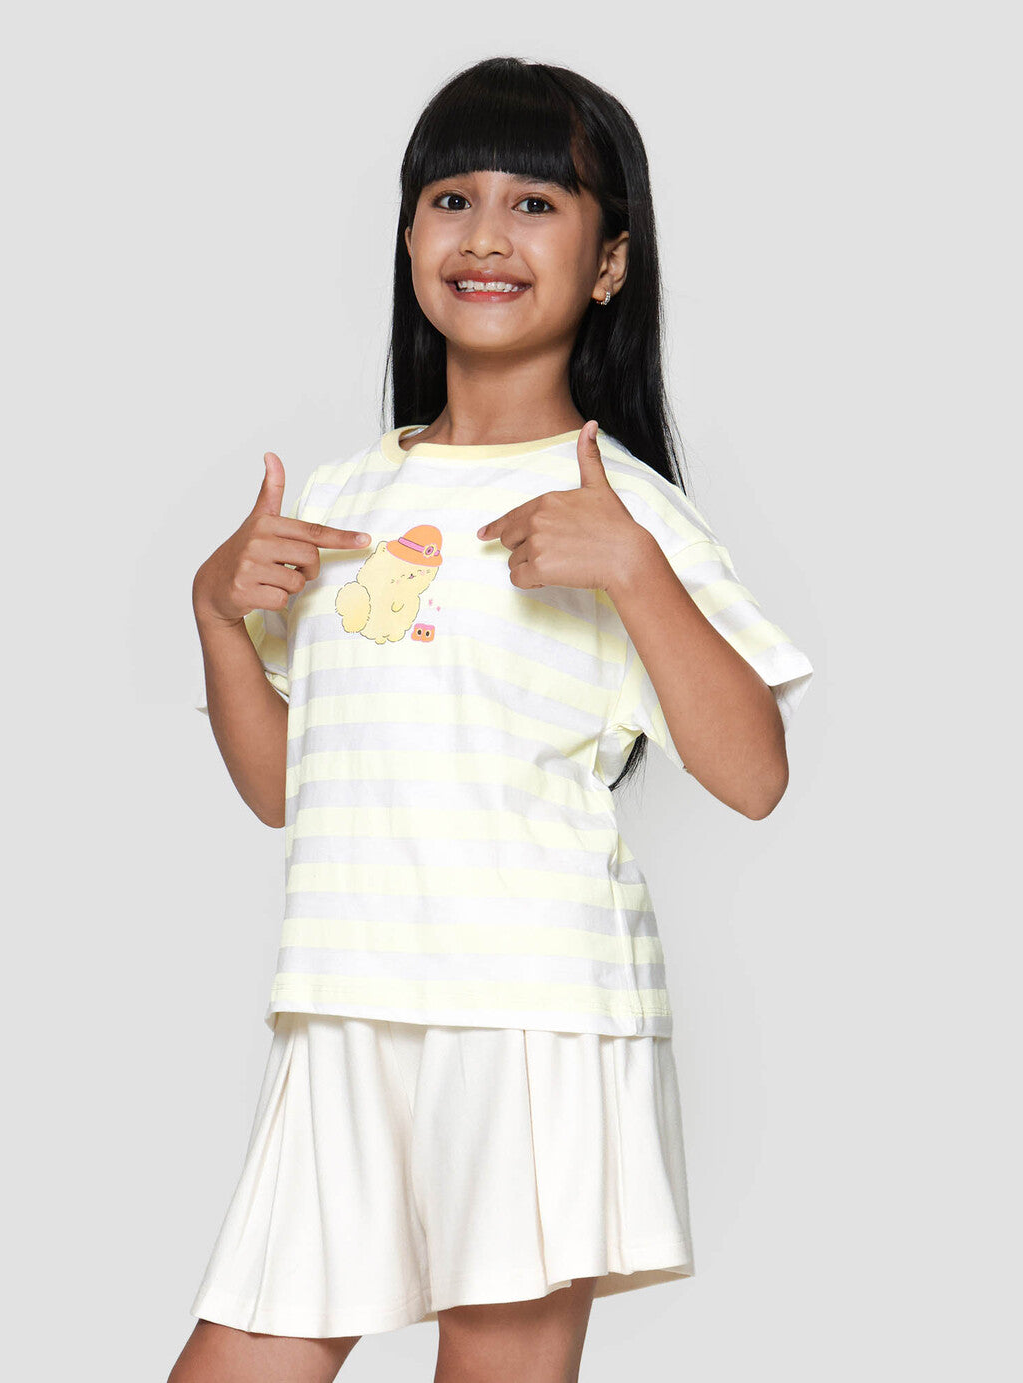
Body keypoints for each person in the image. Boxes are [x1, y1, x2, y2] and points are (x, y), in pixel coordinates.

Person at [168, 54, 814, 1383]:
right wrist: (217, 618)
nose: (485, 235)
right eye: (451, 198)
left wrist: (635, 571)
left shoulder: (624, 508)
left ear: (610, 263)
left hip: (532, 1013)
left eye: (536, 204)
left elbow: (754, 774)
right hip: (342, 1005)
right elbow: (290, 791)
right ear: (409, 237)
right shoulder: (343, 501)